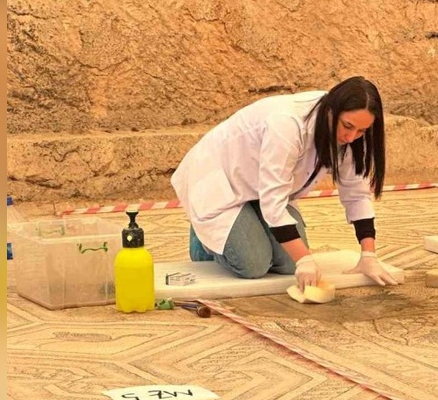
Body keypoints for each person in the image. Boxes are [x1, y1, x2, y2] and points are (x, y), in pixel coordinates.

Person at [171, 77, 399, 290]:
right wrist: (304, 259)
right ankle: (203, 241)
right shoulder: (287, 124)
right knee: (253, 265)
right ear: (331, 111)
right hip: (221, 182)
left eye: (362, 130)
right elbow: (273, 201)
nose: (351, 137)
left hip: (259, 189)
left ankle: (246, 224)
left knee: (289, 266)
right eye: (348, 126)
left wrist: (368, 255)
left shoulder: (352, 134)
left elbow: (356, 194)